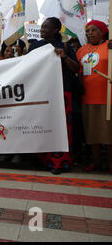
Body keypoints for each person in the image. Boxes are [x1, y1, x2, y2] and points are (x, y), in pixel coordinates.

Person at [28, 17, 79, 174]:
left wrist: (64, 58)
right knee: (42, 126)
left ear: (56, 30)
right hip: (42, 92)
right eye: (42, 27)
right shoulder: (35, 46)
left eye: (46, 28)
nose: (42, 30)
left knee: (62, 127)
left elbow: (76, 68)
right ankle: (41, 160)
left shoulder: (65, 46)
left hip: (62, 92)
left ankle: (60, 162)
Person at [76, 20, 112, 173]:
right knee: (92, 133)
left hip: (107, 98)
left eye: (94, 30)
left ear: (102, 32)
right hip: (88, 98)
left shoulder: (109, 47)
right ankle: (96, 162)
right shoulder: (82, 51)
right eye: (87, 30)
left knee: (109, 134)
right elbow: (78, 72)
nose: (89, 33)